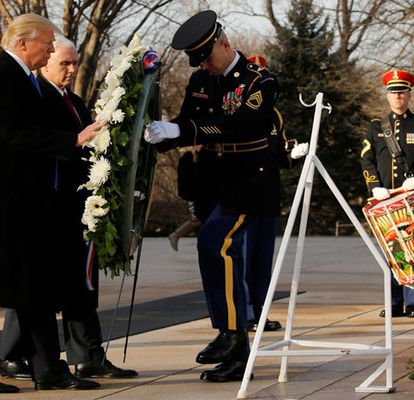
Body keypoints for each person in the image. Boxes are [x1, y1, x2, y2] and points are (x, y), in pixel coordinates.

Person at [0, 13, 102, 394]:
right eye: (47, 43)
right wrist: (74, 140)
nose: (51, 49)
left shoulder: (27, 80)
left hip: (24, 205)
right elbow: (17, 132)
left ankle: (48, 369)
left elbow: (48, 126)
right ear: (22, 44)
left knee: (34, 290)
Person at [144, 10, 280, 383]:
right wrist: (156, 138)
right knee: (214, 250)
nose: (204, 64)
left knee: (215, 241)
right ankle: (234, 344)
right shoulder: (202, 79)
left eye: (206, 56)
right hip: (217, 181)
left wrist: (180, 128)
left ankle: (232, 333)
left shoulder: (258, 80)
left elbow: (240, 125)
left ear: (224, 43)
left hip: (251, 181)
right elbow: (189, 124)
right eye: (198, 60)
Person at [0, 35, 138, 382]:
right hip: (46, 205)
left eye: (75, 63)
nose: (72, 69)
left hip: (74, 205)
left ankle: (88, 354)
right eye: (65, 63)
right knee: (34, 283)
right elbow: (37, 144)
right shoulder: (38, 97)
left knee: (79, 282)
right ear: (45, 61)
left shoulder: (72, 100)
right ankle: (10, 354)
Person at [243, 55, 308, 332]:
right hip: (242, 196)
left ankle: (260, 312)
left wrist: (293, 156)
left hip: (267, 197)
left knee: (262, 261)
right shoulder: (237, 110)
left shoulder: (274, 115)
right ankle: (243, 312)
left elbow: (280, 155)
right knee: (243, 260)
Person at [360, 69, 414, 318]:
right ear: (388, 96)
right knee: (391, 250)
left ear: (409, 94)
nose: (397, 97)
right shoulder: (376, 127)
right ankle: (394, 303)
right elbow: (366, 160)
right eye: (393, 93)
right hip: (386, 199)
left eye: (402, 92)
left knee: (412, 248)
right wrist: (374, 187)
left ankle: (412, 302)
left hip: (411, 198)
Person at [168, 146, 202, 251]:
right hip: (195, 195)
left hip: (197, 194)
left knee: (199, 219)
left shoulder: (196, 157)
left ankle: (176, 235)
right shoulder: (189, 157)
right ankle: (176, 235)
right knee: (196, 219)